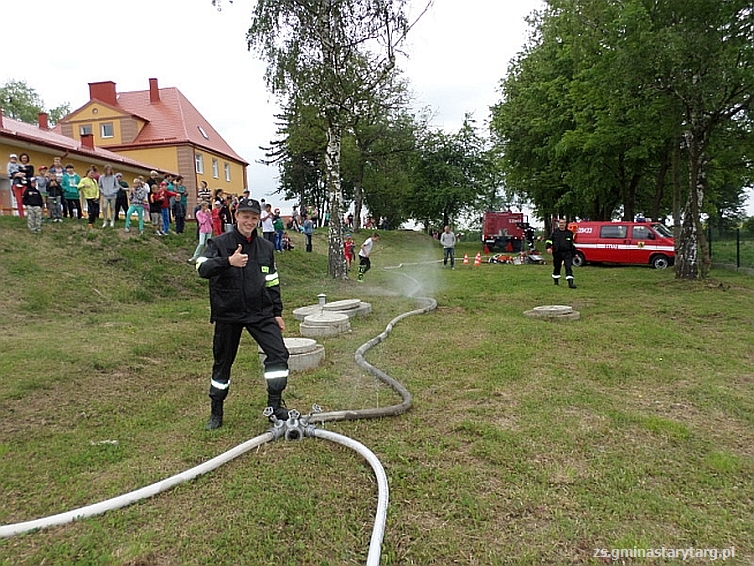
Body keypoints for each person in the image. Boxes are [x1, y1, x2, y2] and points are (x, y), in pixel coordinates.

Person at [195, 197, 290, 430]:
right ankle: (216, 411)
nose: (249, 221)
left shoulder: (266, 247)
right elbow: (202, 268)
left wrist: (276, 311)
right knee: (222, 365)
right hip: (229, 313)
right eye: (245, 216)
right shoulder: (219, 243)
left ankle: (275, 406)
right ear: (236, 216)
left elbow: (272, 281)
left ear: (259, 220)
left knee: (279, 355)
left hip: (260, 312)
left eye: (254, 218)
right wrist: (228, 261)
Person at [545, 218, 577, 288]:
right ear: (559, 224)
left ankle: (570, 283)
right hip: (557, 253)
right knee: (557, 267)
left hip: (567, 253)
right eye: (561, 223)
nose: (562, 224)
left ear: (565, 224)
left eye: (563, 223)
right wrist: (548, 248)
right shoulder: (555, 233)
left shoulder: (569, 233)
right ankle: (556, 281)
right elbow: (549, 241)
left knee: (568, 267)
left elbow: (572, 244)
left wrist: (575, 254)